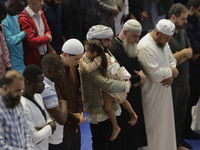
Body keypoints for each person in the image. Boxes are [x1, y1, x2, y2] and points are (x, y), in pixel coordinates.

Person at [81, 25, 131, 150]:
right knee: (101, 144)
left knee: (115, 145)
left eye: (110, 40)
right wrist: (125, 85)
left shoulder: (106, 53)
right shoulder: (87, 61)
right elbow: (103, 82)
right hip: (99, 110)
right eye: (106, 41)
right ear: (96, 42)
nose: (109, 44)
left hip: (113, 105)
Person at [137, 19, 178, 150]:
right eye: (166, 38)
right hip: (152, 95)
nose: (167, 41)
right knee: (154, 129)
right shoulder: (145, 46)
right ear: (158, 33)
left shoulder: (163, 42)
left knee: (165, 126)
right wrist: (171, 72)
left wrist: (170, 73)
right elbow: (154, 74)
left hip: (165, 93)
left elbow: (172, 59)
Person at [109, 19, 147, 150]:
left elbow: (135, 67)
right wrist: (139, 77)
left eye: (139, 36)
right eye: (135, 36)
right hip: (121, 100)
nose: (137, 40)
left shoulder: (130, 45)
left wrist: (141, 74)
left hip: (134, 96)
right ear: (125, 32)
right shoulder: (113, 48)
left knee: (133, 137)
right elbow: (119, 78)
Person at [168, 3, 193, 150]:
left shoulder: (182, 31)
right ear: (173, 17)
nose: (186, 22)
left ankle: (177, 143)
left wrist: (181, 54)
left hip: (184, 81)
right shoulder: (165, 34)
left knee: (181, 115)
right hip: (173, 84)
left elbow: (190, 50)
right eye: (183, 19)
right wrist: (183, 54)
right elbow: (167, 59)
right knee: (170, 116)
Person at [54, 39, 86, 150]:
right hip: (63, 127)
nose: (78, 62)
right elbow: (58, 102)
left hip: (75, 122)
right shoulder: (54, 73)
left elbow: (78, 92)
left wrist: (80, 112)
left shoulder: (72, 68)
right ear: (65, 54)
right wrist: (75, 119)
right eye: (76, 59)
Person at [21, 65, 56, 150]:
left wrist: (47, 126)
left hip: (44, 145)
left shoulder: (38, 96)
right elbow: (34, 139)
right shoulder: (23, 106)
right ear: (28, 83)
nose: (44, 85)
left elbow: (47, 117)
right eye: (40, 82)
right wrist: (50, 127)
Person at [0, 70, 34, 149]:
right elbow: (1, 145)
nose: (20, 94)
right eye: (17, 91)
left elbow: (26, 130)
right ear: (5, 88)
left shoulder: (17, 102)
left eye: (21, 90)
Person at [41, 53, 67, 150]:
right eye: (60, 69)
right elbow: (61, 119)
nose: (63, 71)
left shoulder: (47, 84)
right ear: (49, 71)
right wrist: (64, 103)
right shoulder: (47, 89)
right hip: (52, 139)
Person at [183, 0, 200, 142]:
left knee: (193, 101)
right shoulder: (186, 25)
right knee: (187, 102)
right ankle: (183, 132)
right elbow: (193, 49)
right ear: (192, 9)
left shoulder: (197, 22)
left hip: (197, 67)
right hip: (190, 70)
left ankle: (187, 129)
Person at [18, 0, 52, 66]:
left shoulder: (41, 13)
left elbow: (48, 30)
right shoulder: (23, 18)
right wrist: (47, 38)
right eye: (39, 0)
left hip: (44, 54)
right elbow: (31, 41)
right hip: (33, 60)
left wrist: (42, 39)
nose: (42, 3)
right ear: (30, 1)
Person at [2, 0, 26, 74]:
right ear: (11, 5)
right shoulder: (3, 19)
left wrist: (17, 38)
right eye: (19, 9)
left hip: (21, 60)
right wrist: (23, 33)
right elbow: (9, 41)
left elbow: (16, 38)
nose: (20, 12)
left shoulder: (15, 15)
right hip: (12, 64)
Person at [0, 2, 12, 78]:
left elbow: (4, 46)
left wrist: (8, 64)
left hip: (2, 67)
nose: (1, 22)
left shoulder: (1, 27)